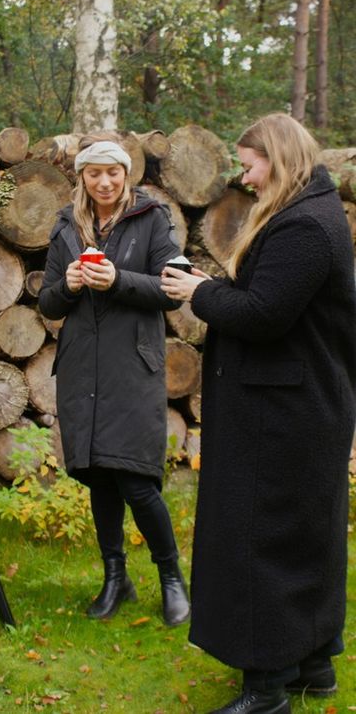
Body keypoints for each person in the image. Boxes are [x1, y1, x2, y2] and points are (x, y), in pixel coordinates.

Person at [160, 113, 356, 713]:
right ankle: (312, 665)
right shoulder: (311, 213)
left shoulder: (304, 226)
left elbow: (265, 314)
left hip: (282, 413)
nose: (244, 179)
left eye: (250, 165)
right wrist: (213, 285)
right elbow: (271, 298)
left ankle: (265, 689)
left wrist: (198, 293)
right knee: (301, 535)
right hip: (296, 406)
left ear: (280, 157)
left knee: (259, 539)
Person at [38, 139, 190, 626]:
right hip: (83, 366)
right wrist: (71, 286)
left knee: (136, 481)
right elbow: (47, 303)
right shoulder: (66, 226)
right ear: (82, 178)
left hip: (132, 367)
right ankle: (115, 578)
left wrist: (117, 280)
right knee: (99, 478)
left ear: (126, 175)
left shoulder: (152, 219)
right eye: (94, 174)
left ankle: (171, 580)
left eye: (113, 173)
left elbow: (171, 290)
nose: (104, 182)